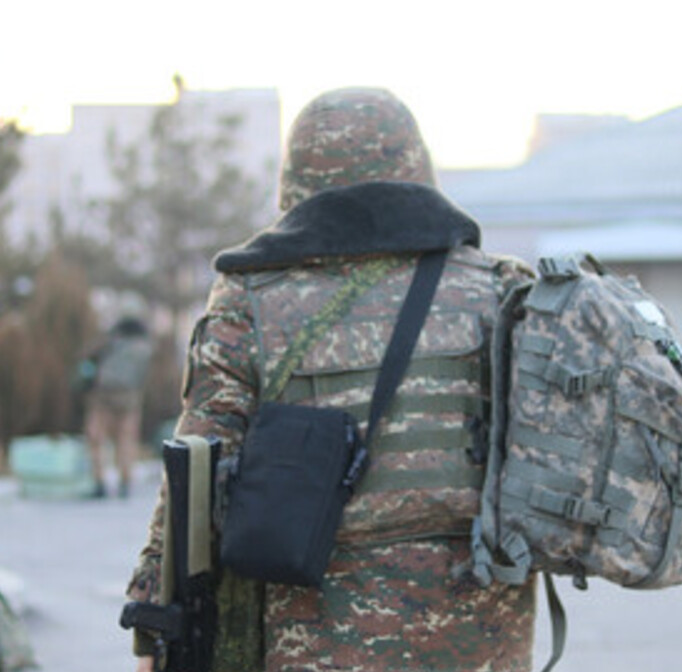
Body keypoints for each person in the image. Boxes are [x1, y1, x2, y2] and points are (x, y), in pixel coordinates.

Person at [127, 88, 537, 671]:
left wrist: (152, 623)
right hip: (485, 639)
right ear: (416, 167)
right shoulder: (500, 289)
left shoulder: (252, 299)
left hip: (320, 641)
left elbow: (193, 478)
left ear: (296, 179)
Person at [82, 316, 153, 499]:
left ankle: (99, 482)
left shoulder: (109, 342)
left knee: (96, 438)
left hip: (103, 395)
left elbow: (88, 359)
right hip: (130, 398)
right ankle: (125, 481)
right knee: (126, 439)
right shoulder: (146, 348)